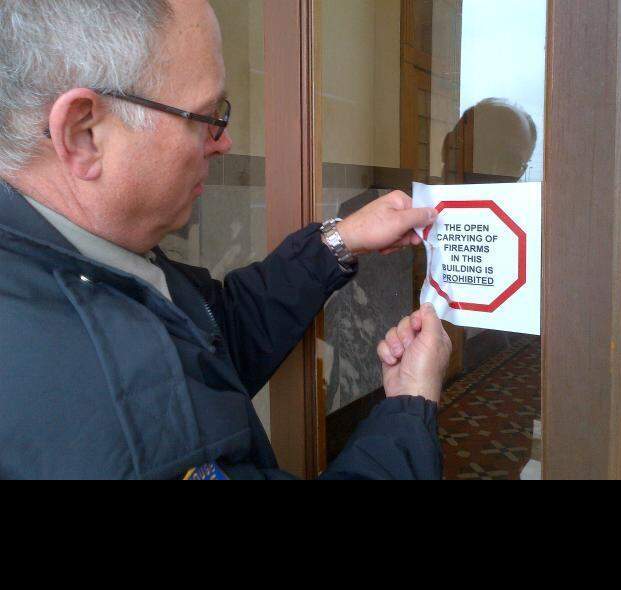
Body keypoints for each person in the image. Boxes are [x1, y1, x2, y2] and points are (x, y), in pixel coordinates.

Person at [0, 0, 450, 480]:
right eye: (204, 116)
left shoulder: (80, 251)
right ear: (84, 133)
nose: (224, 141)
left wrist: (339, 240)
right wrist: (409, 408)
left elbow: (213, 333)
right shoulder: (116, 419)